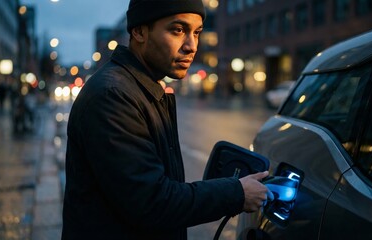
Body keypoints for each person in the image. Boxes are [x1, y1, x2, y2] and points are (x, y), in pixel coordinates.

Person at [61, 0, 269, 239]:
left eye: (197, 32)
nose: (191, 46)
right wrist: (237, 193)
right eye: (178, 30)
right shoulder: (113, 96)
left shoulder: (143, 89)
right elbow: (152, 202)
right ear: (139, 31)